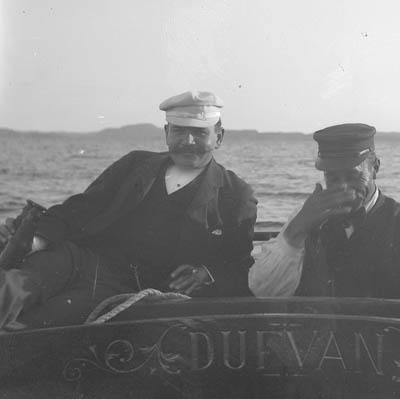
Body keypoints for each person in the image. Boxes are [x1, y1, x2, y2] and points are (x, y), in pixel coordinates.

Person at [0, 91, 257, 330]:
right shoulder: (136, 164)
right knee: (13, 286)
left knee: (33, 327)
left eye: (199, 133)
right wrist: (35, 240)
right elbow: (78, 209)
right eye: (179, 131)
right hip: (83, 260)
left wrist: (207, 274)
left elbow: (239, 268)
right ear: (167, 133)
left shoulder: (236, 195)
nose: (187, 141)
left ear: (219, 137)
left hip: (129, 293)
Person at [249, 123, 400, 300]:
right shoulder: (303, 219)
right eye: (333, 178)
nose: (343, 187)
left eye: (352, 176)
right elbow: (263, 292)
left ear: (375, 168)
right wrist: (294, 233)